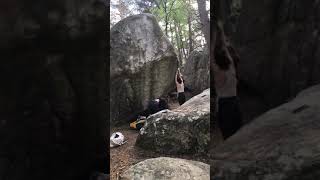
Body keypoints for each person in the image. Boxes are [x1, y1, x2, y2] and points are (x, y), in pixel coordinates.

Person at [213, 39, 242, 140]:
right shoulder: (231, 69)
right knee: (237, 133)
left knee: (228, 136)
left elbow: (213, 53)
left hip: (224, 104)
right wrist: (220, 31)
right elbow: (226, 51)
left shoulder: (218, 72)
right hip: (233, 102)